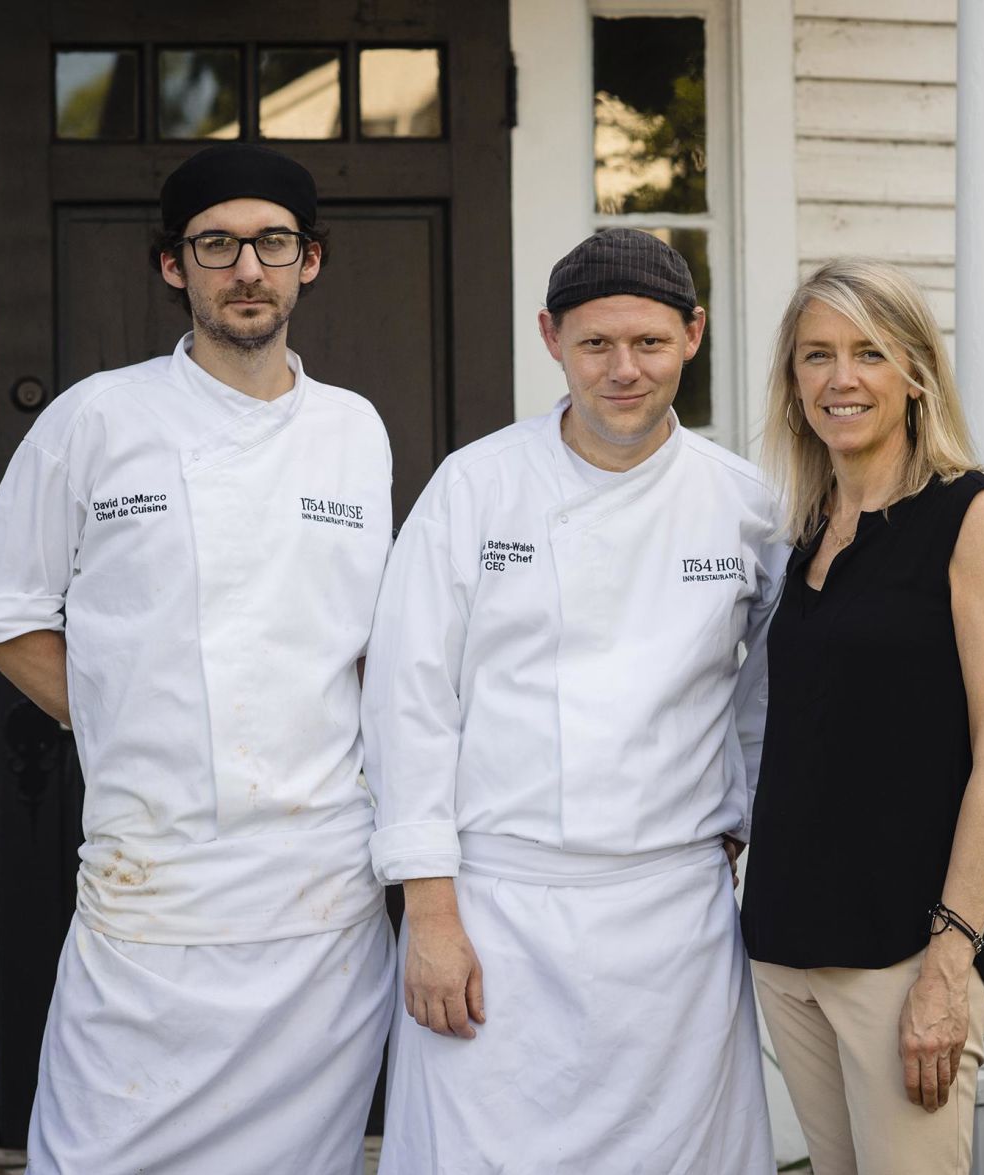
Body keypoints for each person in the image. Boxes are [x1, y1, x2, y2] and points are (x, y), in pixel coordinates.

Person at [0, 143, 397, 1174]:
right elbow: (0, 606)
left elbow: (375, 642)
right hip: (149, 876)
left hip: (317, 890)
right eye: (217, 245)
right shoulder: (97, 417)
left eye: (272, 243)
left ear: (309, 261)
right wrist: (113, 713)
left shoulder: (352, 431)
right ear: (173, 266)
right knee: (103, 1148)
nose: (248, 267)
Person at [361, 228, 784, 1173]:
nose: (623, 369)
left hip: (674, 919)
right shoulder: (474, 488)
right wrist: (428, 915)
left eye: (648, 342)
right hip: (494, 913)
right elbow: (407, 700)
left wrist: (743, 816)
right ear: (550, 338)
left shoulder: (743, 503)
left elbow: (765, 692)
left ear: (693, 334)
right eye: (596, 344)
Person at [738, 258, 984, 1175]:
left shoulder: (970, 515)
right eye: (815, 355)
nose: (840, 378)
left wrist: (949, 963)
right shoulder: (808, 529)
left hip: (902, 956)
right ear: (792, 383)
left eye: (868, 352)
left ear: (914, 372)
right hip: (785, 948)